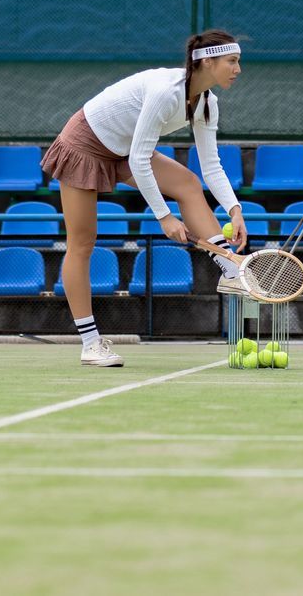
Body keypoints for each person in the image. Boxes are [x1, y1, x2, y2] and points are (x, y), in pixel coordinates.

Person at [42, 30, 249, 366]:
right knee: (82, 243)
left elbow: (212, 165)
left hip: (123, 147)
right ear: (207, 61)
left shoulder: (207, 102)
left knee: (189, 183)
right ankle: (91, 343)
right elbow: (140, 160)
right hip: (84, 143)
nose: (238, 69)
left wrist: (235, 210)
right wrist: (164, 216)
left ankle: (229, 269)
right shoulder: (165, 93)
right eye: (232, 61)